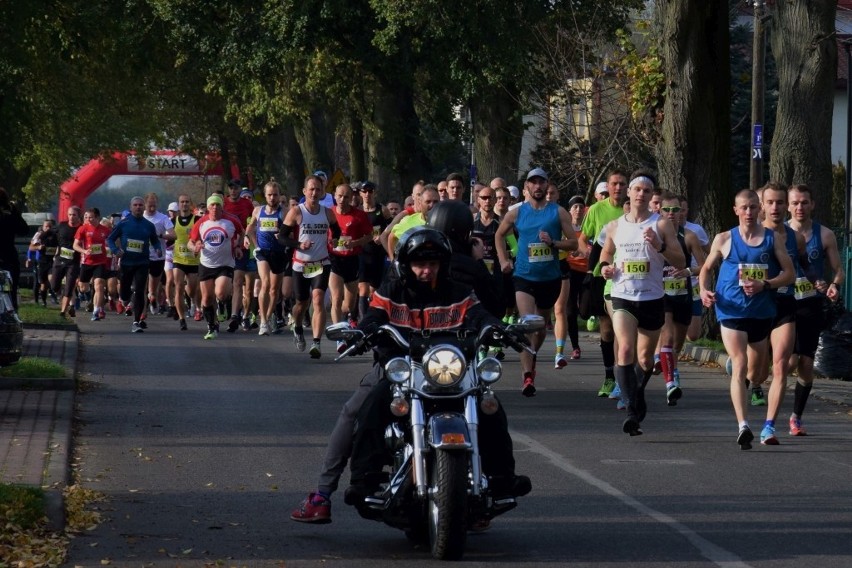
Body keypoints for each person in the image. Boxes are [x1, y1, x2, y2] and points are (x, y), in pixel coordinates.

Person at [346, 228, 530, 505]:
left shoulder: (459, 292)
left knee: (490, 408)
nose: (426, 270)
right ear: (406, 265)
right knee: (373, 405)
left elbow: (480, 315)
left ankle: (502, 479)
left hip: (452, 372)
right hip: (407, 371)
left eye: (432, 264)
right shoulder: (391, 291)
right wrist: (364, 332)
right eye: (420, 264)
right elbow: (372, 316)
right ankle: (363, 479)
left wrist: (499, 328)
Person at [699, 189, 795, 449]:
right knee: (740, 365)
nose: (750, 213)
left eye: (754, 207)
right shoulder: (724, 238)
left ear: (759, 209)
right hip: (731, 310)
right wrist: (703, 290)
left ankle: (750, 380)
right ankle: (743, 425)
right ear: (736, 210)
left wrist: (765, 284)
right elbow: (706, 269)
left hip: (762, 312)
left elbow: (789, 273)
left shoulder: (772, 240)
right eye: (745, 208)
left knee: (758, 373)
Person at [599, 178, 685, 436]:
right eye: (637, 189)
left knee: (646, 359)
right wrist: (605, 268)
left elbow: (680, 259)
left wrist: (659, 246)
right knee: (625, 349)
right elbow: (605, 254)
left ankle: (637, 395)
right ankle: (631, 412)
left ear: (651, 196)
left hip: (652, 298)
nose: (641, 194)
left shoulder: (661, 224)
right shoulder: (614, 226)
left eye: (647, 190)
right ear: (629, 192)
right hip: (622, 294)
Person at [495, 167, 578, 396]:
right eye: (533, 182)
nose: (538, 186)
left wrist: (553, 243)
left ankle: (531, 354)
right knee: (526, 323)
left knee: (540, 327)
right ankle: (527, 376)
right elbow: (499, 235)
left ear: (546, 185)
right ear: (527, 188)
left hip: (550, 278)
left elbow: (574, 244)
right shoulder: (516, 212)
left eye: (542, 182)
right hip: (523, 276)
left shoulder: (558, 212)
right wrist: (503, 260)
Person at [786, 184, 844, 437]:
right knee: (787, 362)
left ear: (812, 205)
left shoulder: (826, 234)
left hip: (810, 303)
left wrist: (833, 285)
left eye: (804, 202)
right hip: (782, 302)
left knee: (806, 363)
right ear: (788, 205)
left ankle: (796, 417)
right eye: (795, 203)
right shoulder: (777, 233)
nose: (800, 207)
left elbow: (839, 270)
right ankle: (755, 380)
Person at [578, 169, 628, 398]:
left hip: (629, 277)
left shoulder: (633, 208)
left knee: (622, 331)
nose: (618, 188)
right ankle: (610, 376)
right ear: (608, 186)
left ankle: (623, 378)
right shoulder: (597, 209)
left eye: (622, 184)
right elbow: (585, 239)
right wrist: (590, 267)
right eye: (614, 184)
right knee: (607, 330)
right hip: (603, 275)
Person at [654, 192, 705, 406]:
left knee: (678, 342)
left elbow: (705, 267)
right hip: (661, 295)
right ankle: (669, 383)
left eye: (676, 210)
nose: (672, 214)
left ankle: (672, 369)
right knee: (667, 338)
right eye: (667, 210)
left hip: (684, 295)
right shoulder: (653, 236)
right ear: (660, 211)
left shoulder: (690, 236)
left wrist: (688, 271)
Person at [282, 174, 340, 357]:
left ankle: (316, 343)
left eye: (318, 189)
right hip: (300, 264)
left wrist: (335, 241)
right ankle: (297, 326)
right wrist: (299, 245)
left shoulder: (327, 212)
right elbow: (282, 237)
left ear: (323, 192)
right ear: (304, 191)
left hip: (322, 263)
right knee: (301, 303)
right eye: (311, 189)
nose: (314, 193)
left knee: (318, 299)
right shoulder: (297, 212)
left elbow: (337, 231)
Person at [189, 194, 245, 340]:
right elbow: (191, 242)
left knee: (220, 293)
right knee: (207, 299)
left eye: (217, 205)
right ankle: (212, 327)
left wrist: (238, 246)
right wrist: (195, 247)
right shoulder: (201, 222)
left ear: (222, 207)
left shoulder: (231, 220)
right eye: (212, 205)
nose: (215, 207)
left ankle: (222, 304)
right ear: (208, 208)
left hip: (225, 264)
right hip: (206, 263)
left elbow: (242, 232)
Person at [107, 197, 163, 333]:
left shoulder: (149, 225)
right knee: (125, 292)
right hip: (126, 263)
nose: (138, 207)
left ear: (144, 207)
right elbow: (110, 239)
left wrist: (157, 248)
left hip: (142, 263)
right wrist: (115, 250)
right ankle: (124, 299)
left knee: (139, 290)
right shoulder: (123, 223)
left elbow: (155, 240)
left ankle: (136, 321)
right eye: (135, 205)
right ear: (131, 207)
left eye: (140, 205)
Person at [328, 183, 373, 352]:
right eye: (339, 196)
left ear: (352, 197)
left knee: (349, 303)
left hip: (352, 259)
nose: (342, 199)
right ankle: (339, 338)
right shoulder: (329, 213)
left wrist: (354, 243)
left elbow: (370, 236)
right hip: (334, 259)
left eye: (346, 196)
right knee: (337, 298)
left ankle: (345, 319)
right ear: (334, 195)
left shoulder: (359, 216)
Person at [246, 180, 289, 336]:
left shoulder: (285, 212)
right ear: (265, 195)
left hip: (279, 253)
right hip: (262, 251)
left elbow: (291, 232)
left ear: (279, 196)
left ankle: (269, 315)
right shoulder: (258, 210)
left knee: (274, 290)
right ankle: (263, 321)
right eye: (269, 195)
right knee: (265, 283)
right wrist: (250, 239)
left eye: (275, 195)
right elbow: (250, 227)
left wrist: (283, 235)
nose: (272, 198)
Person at [357, 181, 392, 321]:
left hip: (377, 254)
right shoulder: (358, 211)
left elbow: (391, 229)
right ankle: (363, 320)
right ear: (360, 193)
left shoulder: (382, 210)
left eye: (370, 191)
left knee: (373, 290)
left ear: (374, 193)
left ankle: (374, 318)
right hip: (362, 253)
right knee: (363, 289)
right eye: (364, 191)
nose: (367, 194)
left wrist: (382, 236)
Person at [73, 208, 111, 321]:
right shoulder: (83, 228)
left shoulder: (105, 230)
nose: (88, 220)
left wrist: (115, 249)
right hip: (87, 262)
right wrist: (84, 251)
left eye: (91, 217)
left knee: (99, 285)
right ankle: (86, 293)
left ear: (98, 217)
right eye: (87, 217)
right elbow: (75, 245)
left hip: (100, 262)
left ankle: (96, 310)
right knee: (83, 287)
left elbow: (112, 241)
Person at [172, 195, 200, 330]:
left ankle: (192, 302)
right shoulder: (173, 220)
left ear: (191, 204)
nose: (184, 204)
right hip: (178, 259)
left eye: (187, 202)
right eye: (182, 202)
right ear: (179, 204)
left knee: (192, 290)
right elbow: (168, 235)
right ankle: (182, 319)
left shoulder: (197, 220)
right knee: (178, 288)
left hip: (194, 260)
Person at [564, 195, 588, 360]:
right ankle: (575, 346)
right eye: (575, 207)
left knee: (585, 312)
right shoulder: (565, 228)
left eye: (581, 207)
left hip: (587, 272)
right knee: (570, 311)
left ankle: (587, 313)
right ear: (569, 210)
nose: (578, 210)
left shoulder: (589, 227)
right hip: (570, 271)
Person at [52, 206, 84, 319]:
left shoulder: (82, 228)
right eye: (69, 214)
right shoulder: (62, 225)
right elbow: (50, 235)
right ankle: (64, 297)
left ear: (79, 216)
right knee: (54, 286)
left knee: (69, 286)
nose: (71, 217)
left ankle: (63, 312)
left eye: (74, 215)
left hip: (73, 262)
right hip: (60, 260)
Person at [0, 188, 28, 310]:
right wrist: (14, 213)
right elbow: (23, 230)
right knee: (9, 287)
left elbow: (24, 230)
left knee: (9, 286)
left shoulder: (9, 214)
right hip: (8, 256)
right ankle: (11, 313)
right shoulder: (10, 213)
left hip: (7, 257)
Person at [29, 219, 59, 307]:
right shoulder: (39, 235)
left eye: (50, 226)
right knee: (43, 285)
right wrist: (38, 247)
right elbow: (31, 247)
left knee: (52, 279)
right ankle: (44, 301)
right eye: (46, 226)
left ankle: (54, 294)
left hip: (52, 261)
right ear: (43, 227)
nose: (48, 228)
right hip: (42, 262)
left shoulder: (56, 235)